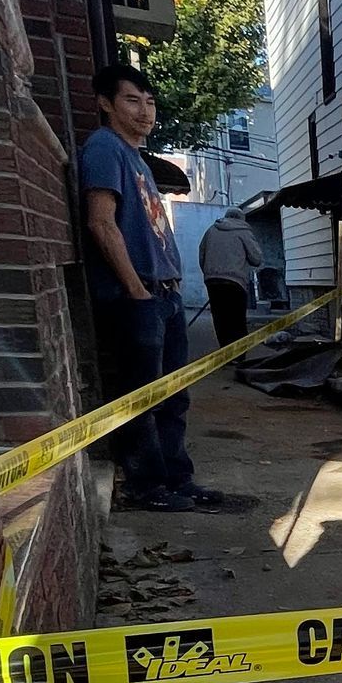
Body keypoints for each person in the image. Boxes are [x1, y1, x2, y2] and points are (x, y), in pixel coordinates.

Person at [81, 62, 232, 512]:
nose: (145, 111)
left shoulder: (137, 159)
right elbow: (101, 223)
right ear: (106, 103)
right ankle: (147, 486)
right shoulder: (104, 148)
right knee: (143, 396)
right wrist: (137, 292)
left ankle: (175, 478)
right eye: (132, 100)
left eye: (150, 102)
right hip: (137, 297)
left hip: (162, 295)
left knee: (172, 396)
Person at [199, 206, 266, 346]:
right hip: (236, 281)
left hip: (213, 281)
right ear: (242, 218)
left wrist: (209, 273)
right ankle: (238, 356)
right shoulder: (244, 231)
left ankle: (225, 353)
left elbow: (202, 255)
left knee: (220, 319)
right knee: (237, 320)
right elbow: (256, 258)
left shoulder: (211, 230)